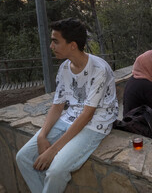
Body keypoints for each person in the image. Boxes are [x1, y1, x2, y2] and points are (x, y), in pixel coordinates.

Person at [16, 18, 118, 193]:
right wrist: (42, 136)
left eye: (56, 41)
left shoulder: (99, 69)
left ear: (72, 45)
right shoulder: (64, 68)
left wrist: (52, 151)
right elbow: (57, 105)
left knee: (56, 170)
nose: (51, 46)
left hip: (96, 123)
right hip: (70, 117)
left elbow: (87, 115)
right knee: (23, 157)